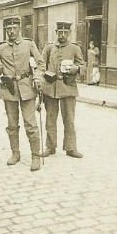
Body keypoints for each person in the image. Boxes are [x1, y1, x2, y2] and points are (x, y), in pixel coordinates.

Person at [0, 17, 46, 171]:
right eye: (8, 29)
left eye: (14, 28)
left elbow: (41, 63)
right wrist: (1, 71)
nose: (11, 32)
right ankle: (15, 154)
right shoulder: (1, 47)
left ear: (19, 28)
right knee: (11, 124)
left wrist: (37, 76)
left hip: (27, 88)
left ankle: (35, 156)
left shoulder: (28, 44)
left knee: (30, 124)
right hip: (8, 89)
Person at [40, 21, 86, 158]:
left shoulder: (75, 49)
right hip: (51, 88)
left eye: (66, 33)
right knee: (50, 119)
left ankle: (71, 148)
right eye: (60, 32)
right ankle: (50, 146)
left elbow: (83, 66)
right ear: (56, 33)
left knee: (69, 119)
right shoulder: (48, 48)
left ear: (69, 33)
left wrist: (76, 68)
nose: (63, 35)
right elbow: (41, 65)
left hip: (68, 88)